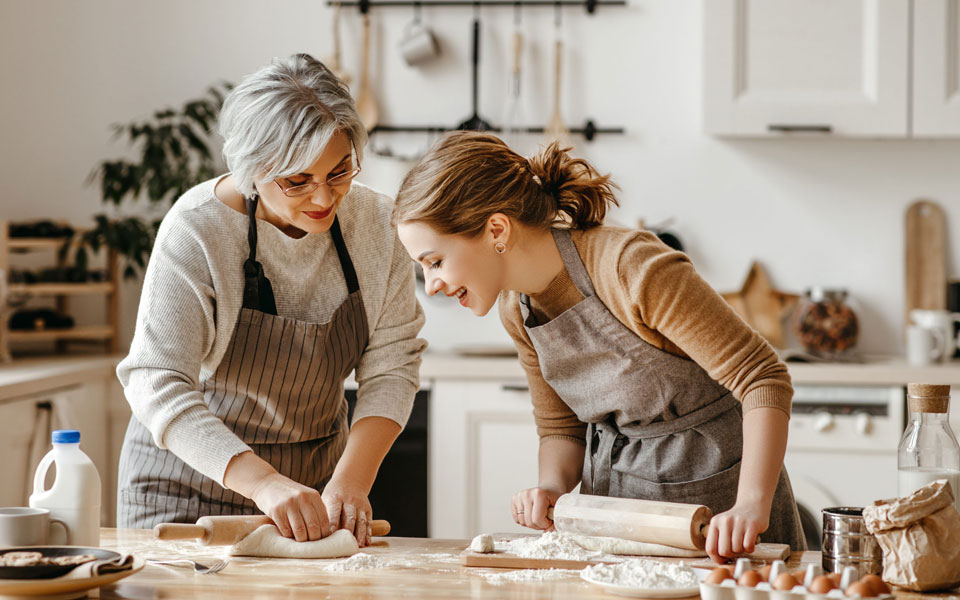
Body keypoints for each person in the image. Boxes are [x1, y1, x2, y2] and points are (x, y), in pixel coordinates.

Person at [392, 131, 805, 562]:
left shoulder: (632, 268)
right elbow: (560, 427)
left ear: (497, 229)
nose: (432, 284)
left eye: (434, 261)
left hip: (719, 509)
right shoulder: (516, 308)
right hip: (615, 512)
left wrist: (750, 505)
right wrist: (551, 488)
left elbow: (763, 378)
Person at [116, 54, 426, 547]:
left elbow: (392, 366)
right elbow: (158, 380)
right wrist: (261, 483)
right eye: (297, 181)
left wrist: (351, 481)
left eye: (340, 171)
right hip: (186, 492)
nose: (324, 197)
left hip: (311, 495)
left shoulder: (377, 225)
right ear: (250, 170)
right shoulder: (198, 229)